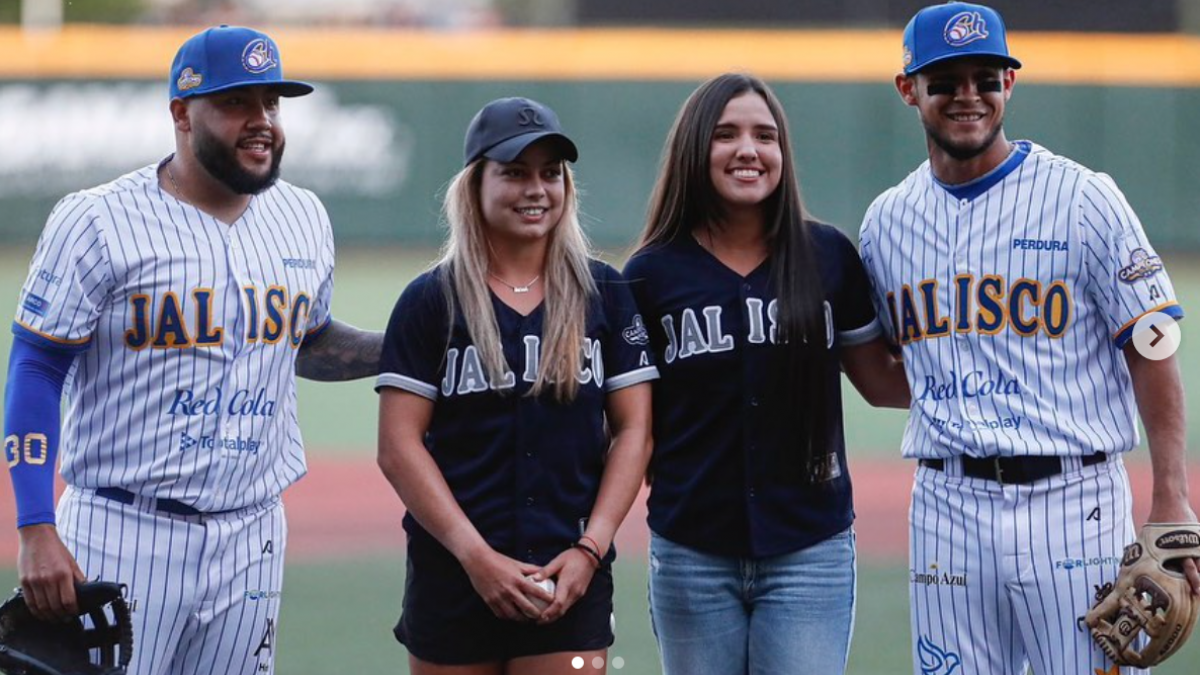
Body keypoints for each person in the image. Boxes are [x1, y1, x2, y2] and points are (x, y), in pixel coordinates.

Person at [3, 26, 382, 675]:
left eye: (271, 103)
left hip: (253, 533)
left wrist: (408, 342)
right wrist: (36, 525)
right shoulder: (98, 220)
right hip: (122, 530)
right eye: (238, 103)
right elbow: (37, 365)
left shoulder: (303, 217)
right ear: (181, 112)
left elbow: (308, 341)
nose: (261, 121)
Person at [859, 3, 1200, 673]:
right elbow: (894, 367)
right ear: (908, 89)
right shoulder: (885, 222)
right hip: (946, 506)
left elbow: (1152, 343)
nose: (968, 96)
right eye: (945, 80)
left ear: (1009, 85)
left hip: (1072, 499)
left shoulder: (1082, 198)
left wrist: (1171, 494)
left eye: (986, 78)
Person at [623, 73, 910, 675]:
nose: (748, 150)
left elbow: (882, 383)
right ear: (694, 149)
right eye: (725, 134)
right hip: (692, 550)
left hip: (809, 548)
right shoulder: (651, 273)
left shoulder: (827, 255)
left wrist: (989, 362)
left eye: (765, 135)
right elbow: (629, 423)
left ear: (783, 153)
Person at [375, 96, 656, 674]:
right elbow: (398, 447)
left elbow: (634, 432)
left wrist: (590, 549)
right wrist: (476, 557)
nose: (537, 189)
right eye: (514, 173)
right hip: (452, 575)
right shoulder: (431, 300)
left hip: (568, 575)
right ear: (475, 186)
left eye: (550, 173)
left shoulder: (605, 292)